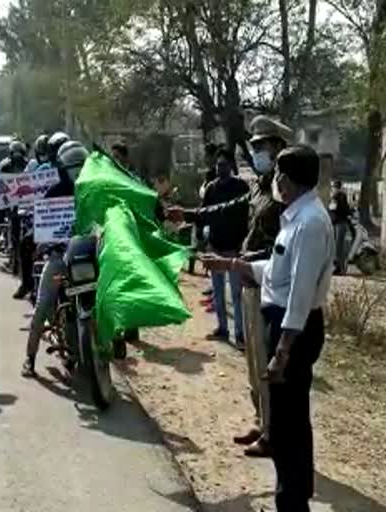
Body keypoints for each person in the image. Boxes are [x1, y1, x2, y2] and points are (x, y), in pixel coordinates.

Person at [202, 145, 333, 512]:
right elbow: (278, 273)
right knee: (292, 418)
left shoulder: (309, 223)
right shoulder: (297, 217)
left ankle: (290, 503)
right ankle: (296, 494)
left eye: (277, 174)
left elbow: (301, 294)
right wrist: (230, 265)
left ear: (287, 181)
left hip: (294, 329)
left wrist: (281, 352)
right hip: (288, 324)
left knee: (287, 425)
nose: (273, 180)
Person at [168, 115, 292, 458]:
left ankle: (273, 433)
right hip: (249, 275)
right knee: (253, 358)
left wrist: (247, 260)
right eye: (253, 148)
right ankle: (261, 420)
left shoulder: (287, 193)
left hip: (270, 279)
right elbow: (226, 208)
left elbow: (286, 244)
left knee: (267, 360)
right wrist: (191, 215)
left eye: (261, 147)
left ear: (279, 149)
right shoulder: (258, 187)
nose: (256, 154)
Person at [22, 140, 88, 377]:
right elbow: (40, 221)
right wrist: (37, 238)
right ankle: (29, 357)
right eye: (72, 168)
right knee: (43, 305)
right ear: (62, 168)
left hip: (88, 256)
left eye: (81, 167)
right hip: (60, 257)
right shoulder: (54, 191)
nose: (77, 173)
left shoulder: (94, 191)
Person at [201, 148, 250, 346]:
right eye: (217, 164)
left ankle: (239, 334)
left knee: (237, 295)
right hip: (216, 246)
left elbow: (248, 215)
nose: (219, 168)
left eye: (223, 164)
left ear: (231, 166)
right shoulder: (211, 188)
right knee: (218, 292)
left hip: (234, 249)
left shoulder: (241, 187)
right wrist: (203, 238)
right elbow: (203, 213)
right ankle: (223, 329)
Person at [329, 180, 352, 275]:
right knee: (338, 246)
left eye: (333, 187)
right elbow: (346, 208)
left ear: (335, 187)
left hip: (338, 224)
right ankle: (339, 268)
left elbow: (332, 208)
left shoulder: (335, 196)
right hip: (341, 223)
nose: (332, 189)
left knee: (338, 247)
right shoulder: (343, 196)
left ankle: (340, 269)